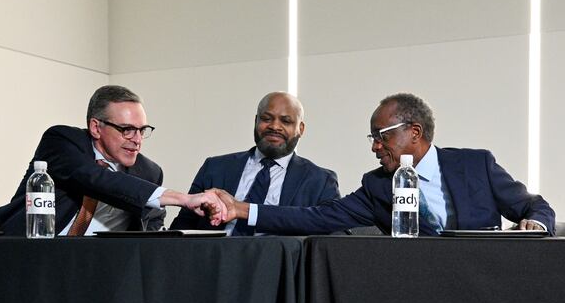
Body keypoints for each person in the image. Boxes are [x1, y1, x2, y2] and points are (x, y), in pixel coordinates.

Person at [209, 93, 555, 236]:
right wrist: (242, 210)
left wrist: (535, 225)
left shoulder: (475, 165)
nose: (375, 147)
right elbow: (315, 216)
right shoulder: (378, 185)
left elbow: (534, 205)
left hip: (482, 281)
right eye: (372, 138)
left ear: (414, 132)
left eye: (381, 136)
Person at [0, 85, 225, 236]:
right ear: (96, 127)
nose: (136, 139)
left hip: (94, 267)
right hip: (25, 252)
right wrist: (182, 199)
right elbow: (96, 180)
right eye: (126, 129)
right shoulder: (63, 141)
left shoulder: (149, 172)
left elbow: (149, 229)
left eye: (142, 130)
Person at [170, 91, 341, 235]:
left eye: (286, 121)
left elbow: (332, 236)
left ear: (300, 129)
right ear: (256, 121)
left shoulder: (320, 181)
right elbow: (183, 226)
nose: (275, 126)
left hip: (279, 267)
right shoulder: (215, 168)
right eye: (266, 118)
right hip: (215, 261)